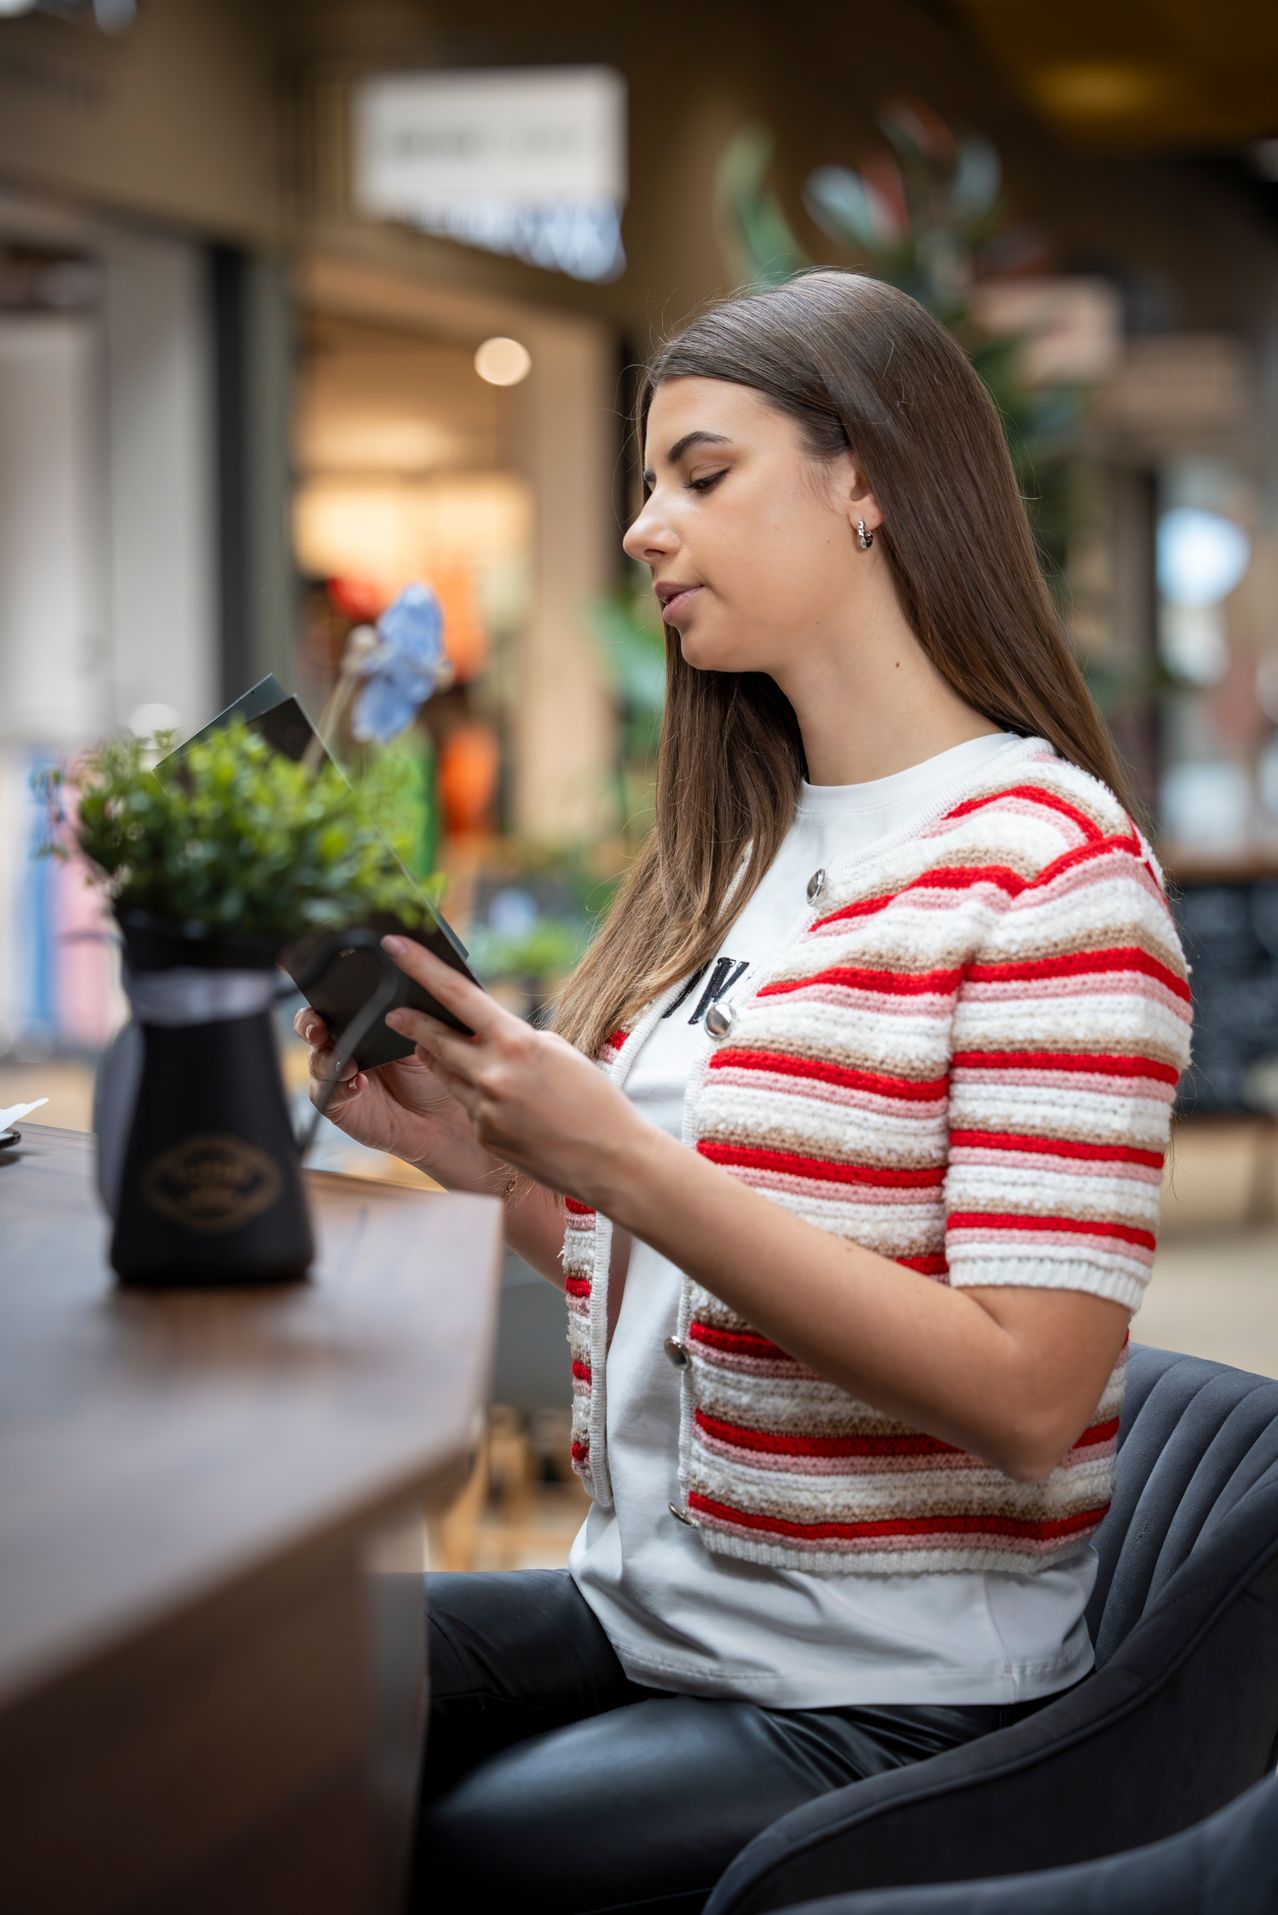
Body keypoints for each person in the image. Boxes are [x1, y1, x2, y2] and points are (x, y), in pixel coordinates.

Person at [295, 268, 1194, 1915]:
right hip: (656, 1611)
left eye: (698, 476)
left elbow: (1026, 1390)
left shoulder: (1050, 879)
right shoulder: (747, 857)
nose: (643, 528)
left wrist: (628, 1165)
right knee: (253, 1712)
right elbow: (672, 1264)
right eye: (649, 484)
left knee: (419, 1840)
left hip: (880, 1686)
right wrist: (482, 1166)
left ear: (868, 483)